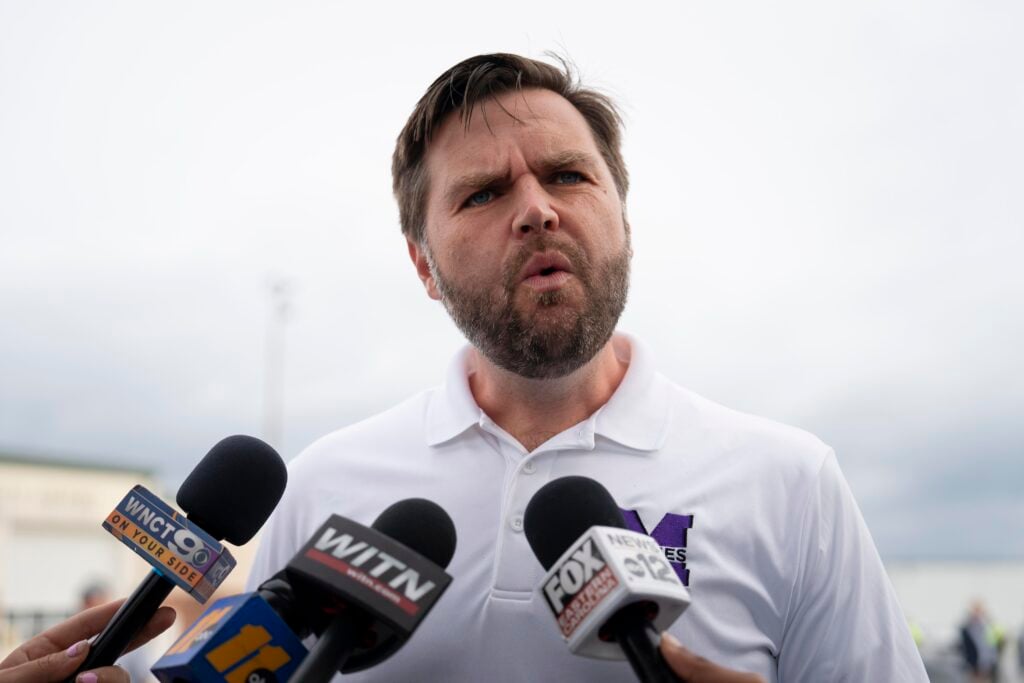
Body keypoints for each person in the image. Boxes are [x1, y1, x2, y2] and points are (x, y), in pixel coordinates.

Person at [247, 52, 928, 681]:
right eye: (483, 193)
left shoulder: (791, 484)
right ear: (423, 263)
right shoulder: (321, 485)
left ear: (624, 219)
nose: (538, 211)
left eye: (568, 175)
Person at [0, 600, 174, 683]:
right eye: (89, 601)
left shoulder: (136, 648)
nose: (94, 606)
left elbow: (144, 677)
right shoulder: (67, 642)